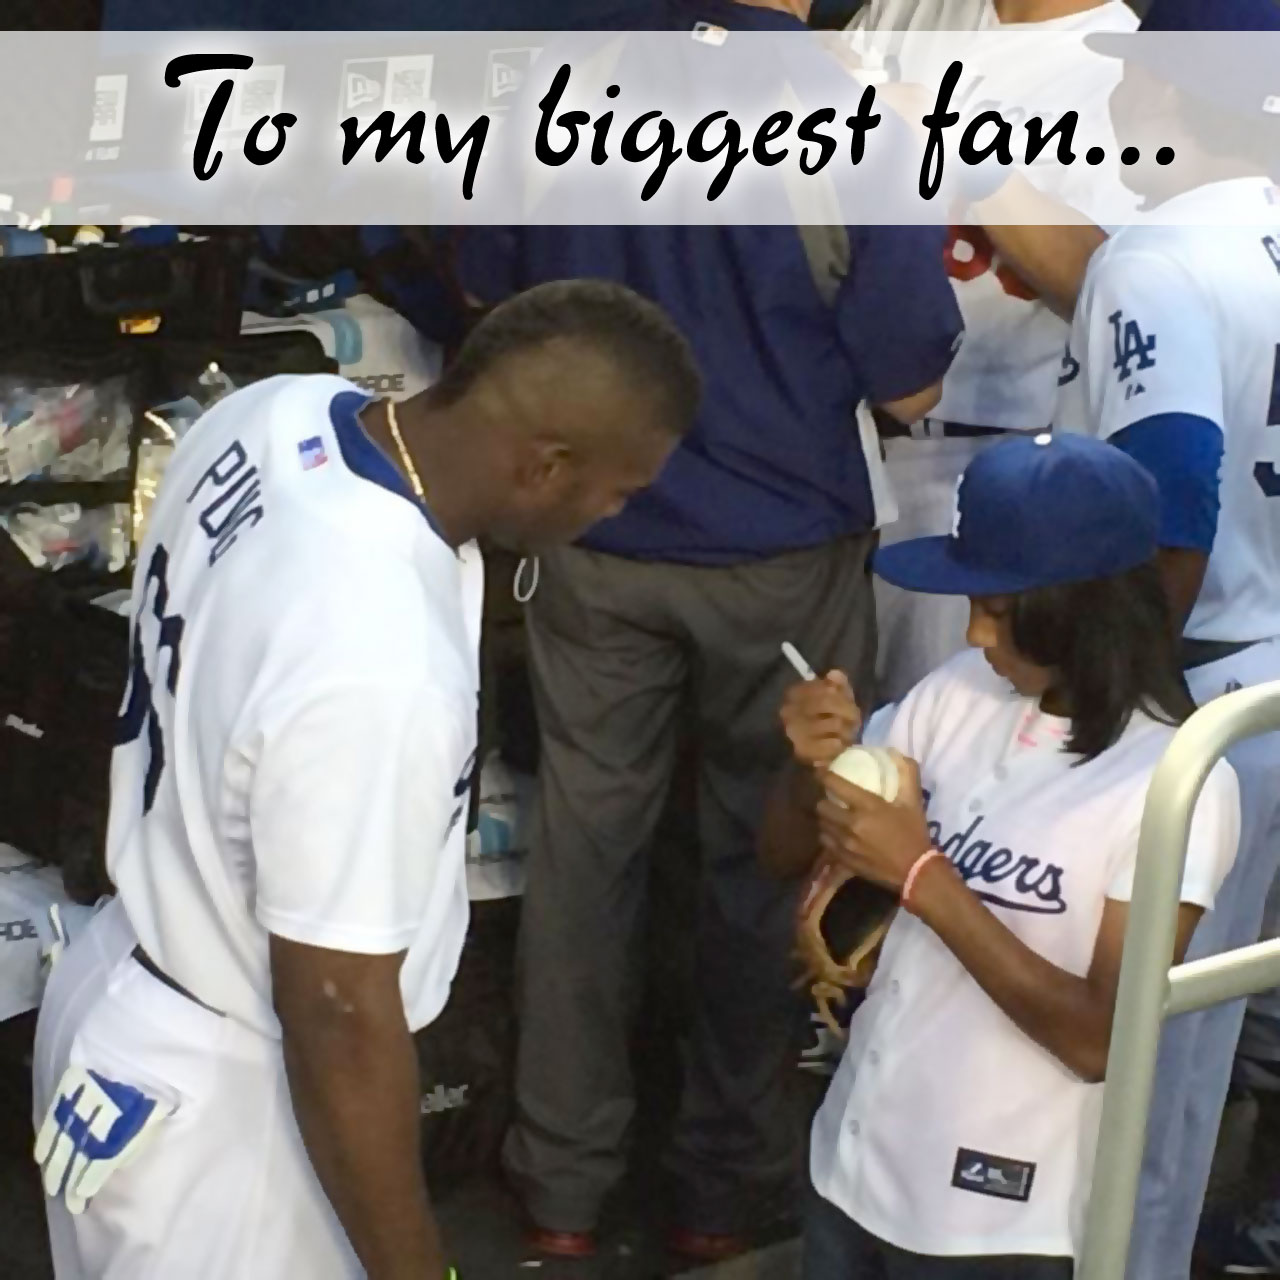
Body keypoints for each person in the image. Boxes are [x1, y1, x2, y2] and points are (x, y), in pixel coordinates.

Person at [30, 280, 701, 1280]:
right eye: (620, 488)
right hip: (233, 1109)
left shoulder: (275, 410)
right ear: (545, 464)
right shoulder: (376, 657)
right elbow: (337, 1007)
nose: (615, 512)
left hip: (124, 988)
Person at [457, 0, 963, 1261]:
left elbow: (483, 290)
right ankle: (718, 1191)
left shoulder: (556, 83)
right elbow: (910, 378)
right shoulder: (850, 110)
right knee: (763, 859)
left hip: (589, 537)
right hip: (779, 548)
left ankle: (559, 1192)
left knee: (583, 863)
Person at [760, 432, 1241, 1279]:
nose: (975, 629)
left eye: (999, 605)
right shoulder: (955, 692)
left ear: (1082, 604)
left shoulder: (1176, 780)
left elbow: (1101, 1040)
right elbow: (778, 853)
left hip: (997, 1227)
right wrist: (813, 770)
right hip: (854, 1163)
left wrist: (921, 877)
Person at [1053, 1, 1280, 1274]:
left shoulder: (1155, 250)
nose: (1119, 95)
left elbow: (1172, 486)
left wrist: (1109, 697)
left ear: (1178, 90)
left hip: (1198, 701)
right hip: (1269, 684)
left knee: (1145, 1069)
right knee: (1221, 1046)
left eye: (1134, 70)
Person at [845, 0, 1140, 702]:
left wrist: (963, 152)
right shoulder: (905, 10)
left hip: (992, 466)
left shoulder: (1129, 62)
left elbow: (1105, 280)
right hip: (844, 449)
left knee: (941, 732)